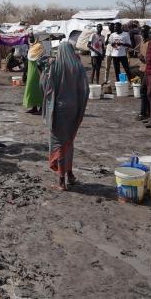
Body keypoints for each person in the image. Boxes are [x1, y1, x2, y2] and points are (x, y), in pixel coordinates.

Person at [41, 42, 89, 191]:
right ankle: (70, 174)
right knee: (69, 141)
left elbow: (45, 86)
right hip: (74, 108)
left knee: (59, 143)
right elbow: (85, 89)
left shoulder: (55, 66)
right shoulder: (78, 66)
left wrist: (43, 70)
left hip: (60, 109)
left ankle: (61, 180)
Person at [23, 42, 45, 115]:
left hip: (39, 73)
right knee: (32, 89)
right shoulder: (32, 48)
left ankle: (42, 109)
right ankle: (34, 107)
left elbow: (42, 61)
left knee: (40, 90)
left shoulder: (40, 46)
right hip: (31, 73)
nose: (30, 40)